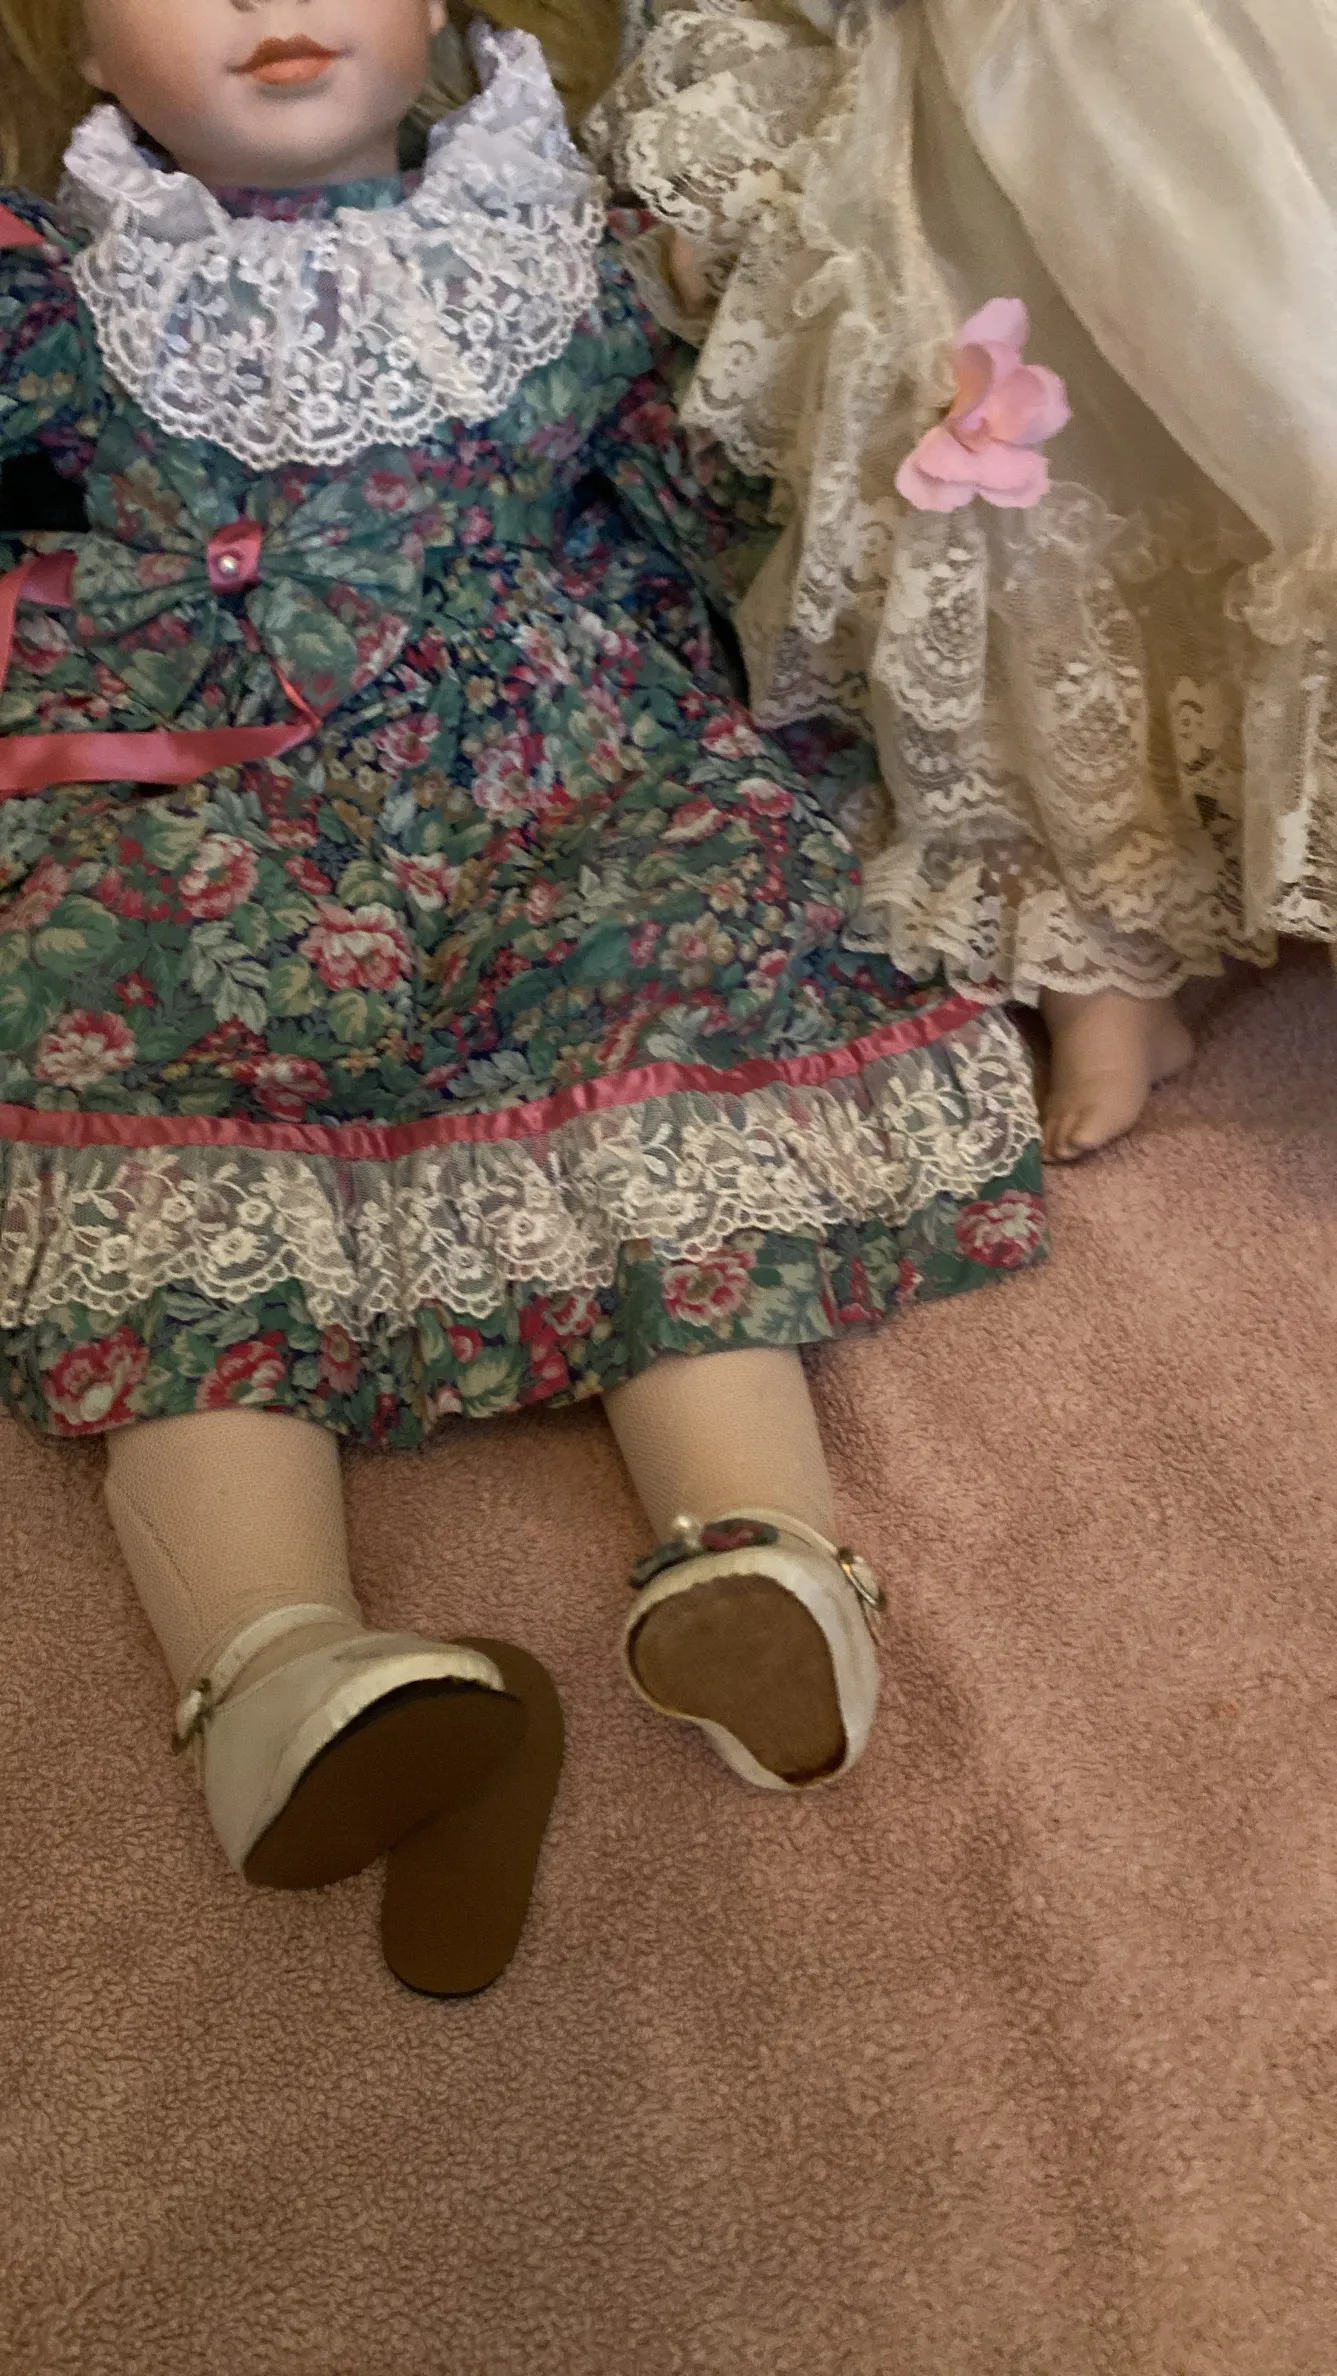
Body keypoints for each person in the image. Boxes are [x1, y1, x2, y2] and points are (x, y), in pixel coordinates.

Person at [0, 0, 1045, 1944]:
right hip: (208, 790)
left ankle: (756, 1559)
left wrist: (869, 489)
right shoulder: (68, 285)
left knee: (659, 985)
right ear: (73, 41)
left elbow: (702, 466)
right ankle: (278, 1666)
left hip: (565, 759)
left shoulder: (549, 227)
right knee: (159, 1074)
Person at [588, 0, 1337, 1159]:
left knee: (1287, 413)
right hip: (949, 105)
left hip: (1221, 87)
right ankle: (1099, 963)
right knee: (994, 491)